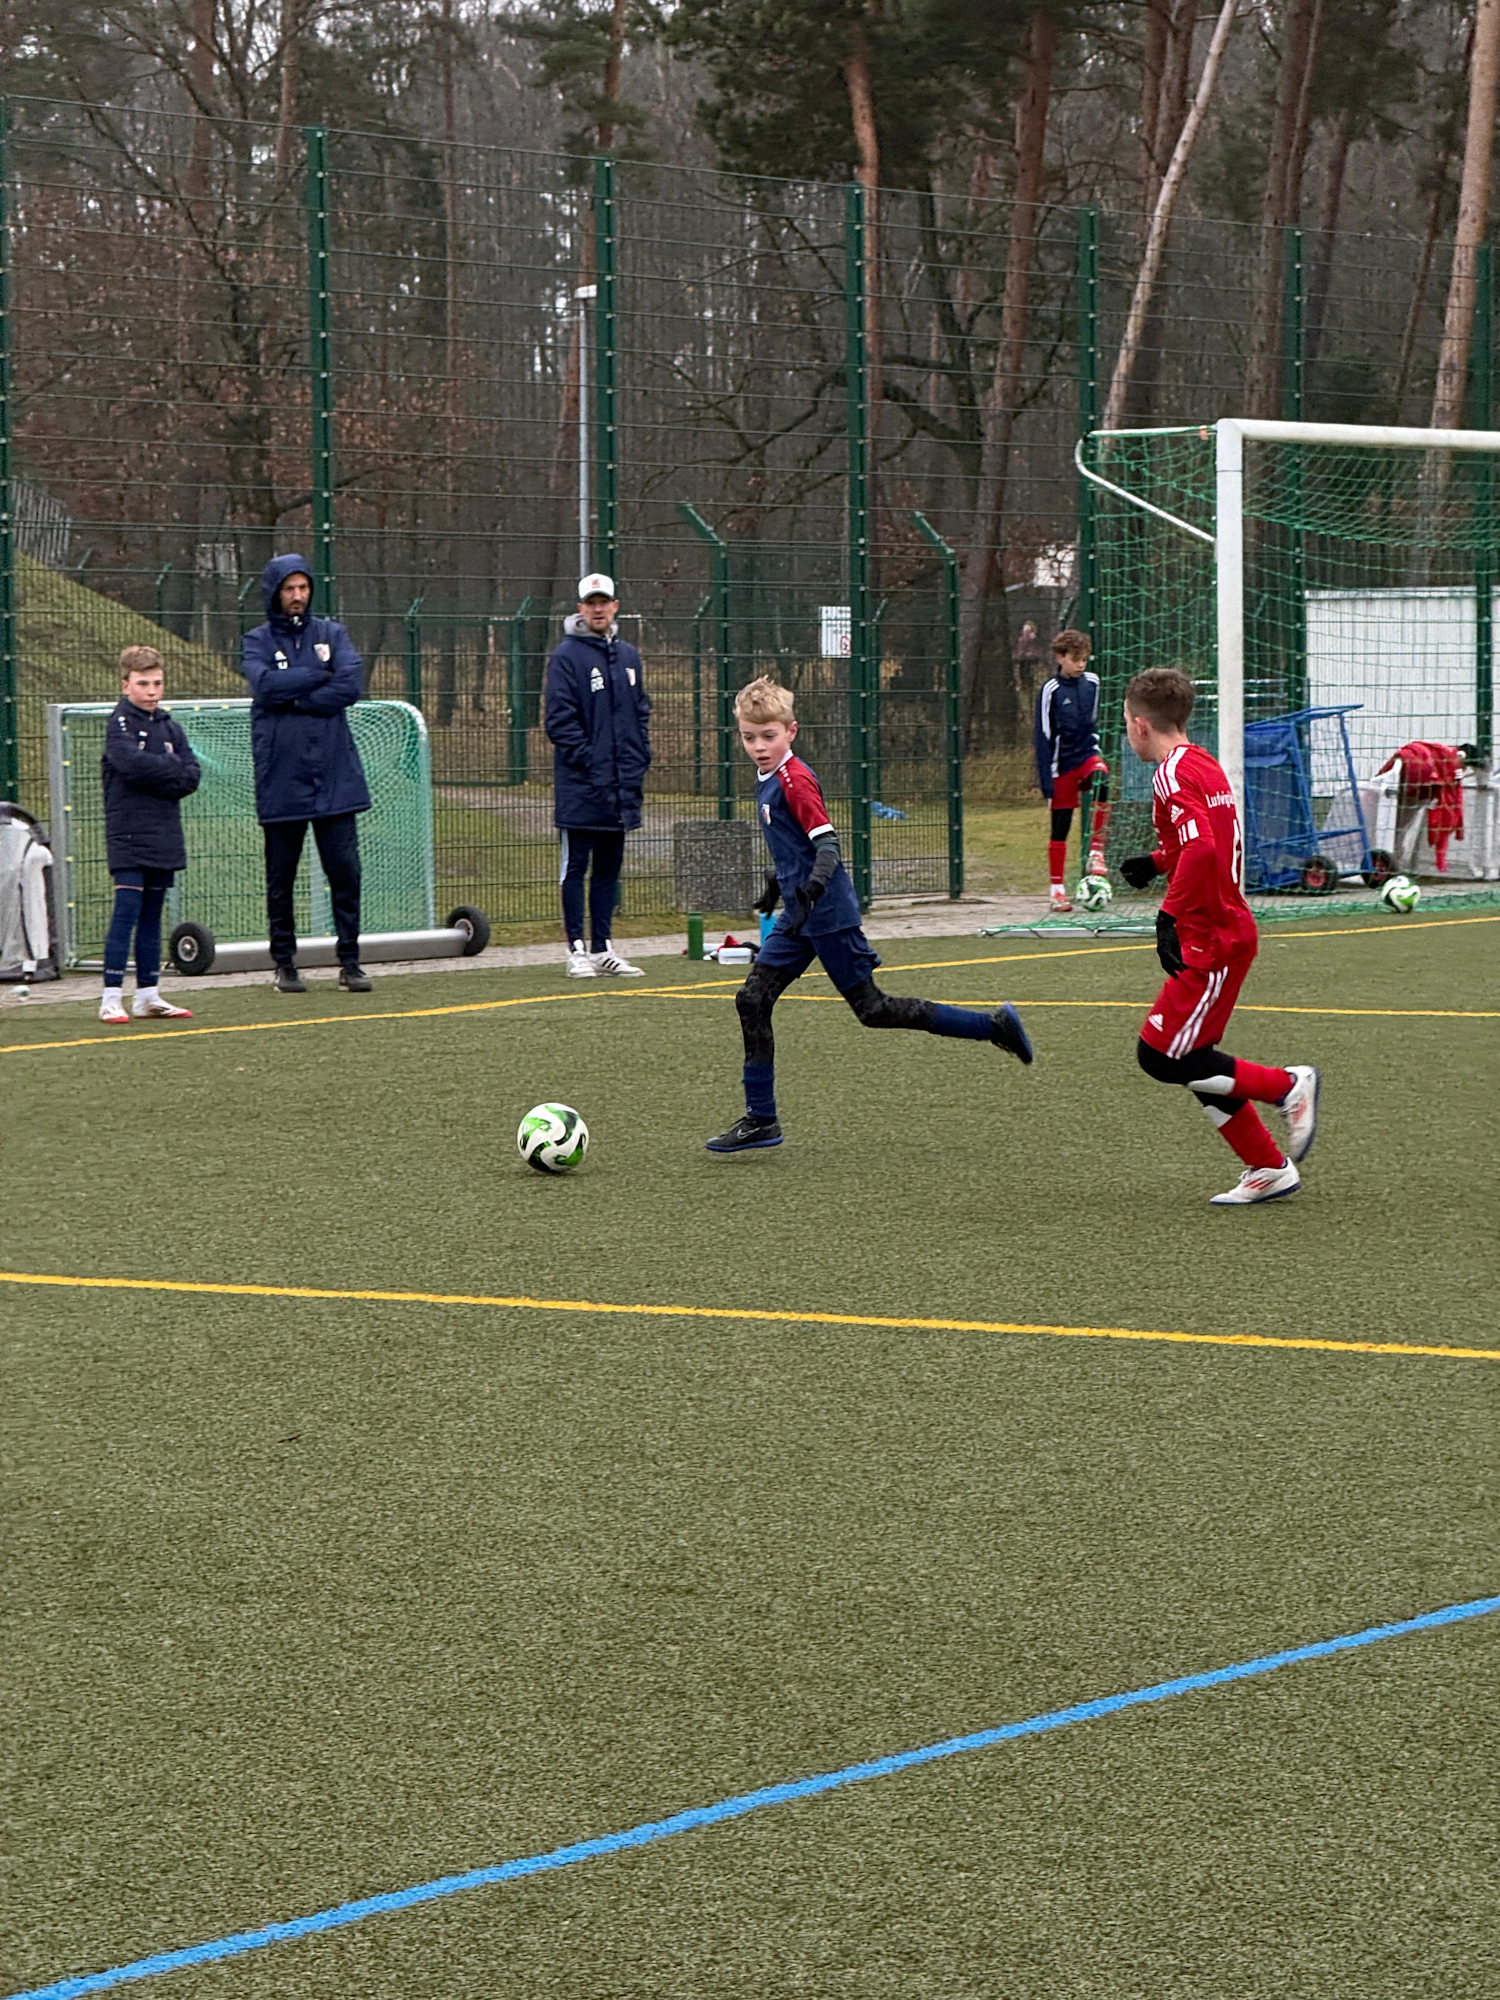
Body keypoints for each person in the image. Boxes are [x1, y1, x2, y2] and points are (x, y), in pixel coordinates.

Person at [705, 676, 1032, 1153]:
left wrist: (812, 887)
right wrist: (779, 886)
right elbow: (795, 848)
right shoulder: (766, 779)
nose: (759, 746)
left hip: (829, 914)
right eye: (750, 736)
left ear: (791, 731)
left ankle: (993, 1027)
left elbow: (826, 845)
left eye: (768, 736)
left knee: (873, 1010)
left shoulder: (795, 780)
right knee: (751, 1000)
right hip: (800, 916)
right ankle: (761, 1120)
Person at [1119, 667, 1319, 1206]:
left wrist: (1167, 914)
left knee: (1160, 1058)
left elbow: (1205, 849)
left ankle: (1287, 1086)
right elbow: (1200, 840)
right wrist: (1158, 860)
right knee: (1193, 1056)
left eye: (1125, 725)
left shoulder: (1169, 775)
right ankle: (1267, 1168)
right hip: (1223, 931)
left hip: (1212, 938)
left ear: (1140, 725)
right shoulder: (1201, 763)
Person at [239, 553, 371, 993]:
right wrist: (319, 676)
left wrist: (297, 696)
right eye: (289, 589)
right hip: (281, 777)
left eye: (303, 588)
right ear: (275, 592)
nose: (297, 597)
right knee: (281, 877)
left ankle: (350, 961)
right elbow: (265, 686)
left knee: (345, 871)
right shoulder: (256, 640)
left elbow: (350, 683)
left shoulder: (333, 633)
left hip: (335, 775)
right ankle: (285, 964)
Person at [544, 572, 651, 978]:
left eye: (604, 601)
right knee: (576, 866)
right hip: (582, 785)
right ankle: (576, 950)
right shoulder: (566, 657)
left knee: (610, 868)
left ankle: (604, 947)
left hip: (621, 785)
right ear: (580, 609)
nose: (598, 608)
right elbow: (559, 721)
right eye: (591, 602)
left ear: (615, 606)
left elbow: (640, 712)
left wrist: (638, 759)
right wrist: (590, 762)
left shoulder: (628, 656)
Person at [98, 645, 200, 1023]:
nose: (152, 691)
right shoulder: (119, 724)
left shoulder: (171, 726)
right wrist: (168, 767)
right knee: (126, 911)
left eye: (157, 683)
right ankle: (110, 996)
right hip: (127, 832)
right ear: (126, 685)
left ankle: (148, 995)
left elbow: (191, 776)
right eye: (143, 683)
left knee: (152, 915)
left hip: (163, 831)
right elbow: (130, 765)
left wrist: (163, 769)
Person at [1035, 628, 1111, 912]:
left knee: (1103, 781)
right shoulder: (1050, 691)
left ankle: (1096, 853)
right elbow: (1042, 736)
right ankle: (1057, 890)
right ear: (1060, 657)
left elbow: (1092, 724)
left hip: (1086, 757)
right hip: (1060, 766)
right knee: (1060, 829)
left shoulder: (1093, 683)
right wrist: (1046, 781)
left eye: (1085, 659)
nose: (1081, 665)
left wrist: (1094, 752)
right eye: (1076, 659)